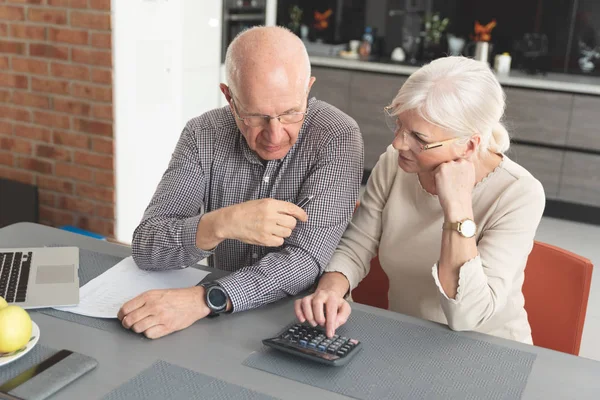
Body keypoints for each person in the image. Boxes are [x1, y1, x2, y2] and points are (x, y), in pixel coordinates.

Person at [118, 26, 364, 339]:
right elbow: (146, 246)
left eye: (290, 114)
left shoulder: (338, 136)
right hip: (218, 325)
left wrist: (207, 298)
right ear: (229, 98)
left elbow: (305, 261)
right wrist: (220, 224)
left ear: (308, 89)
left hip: (305, 320)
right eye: (256, 116)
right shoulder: (202, 134)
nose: (275, 135)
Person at [295, 56, 545, 344]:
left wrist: (458, 207)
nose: (398, 143)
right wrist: (330, 289)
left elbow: (468, 316)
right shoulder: (395, 164)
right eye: (399, 125)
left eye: (418, 137)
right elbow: (358, 244)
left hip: (488, 348)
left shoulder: (519, 193)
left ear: (469, 145)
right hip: (408, 339)